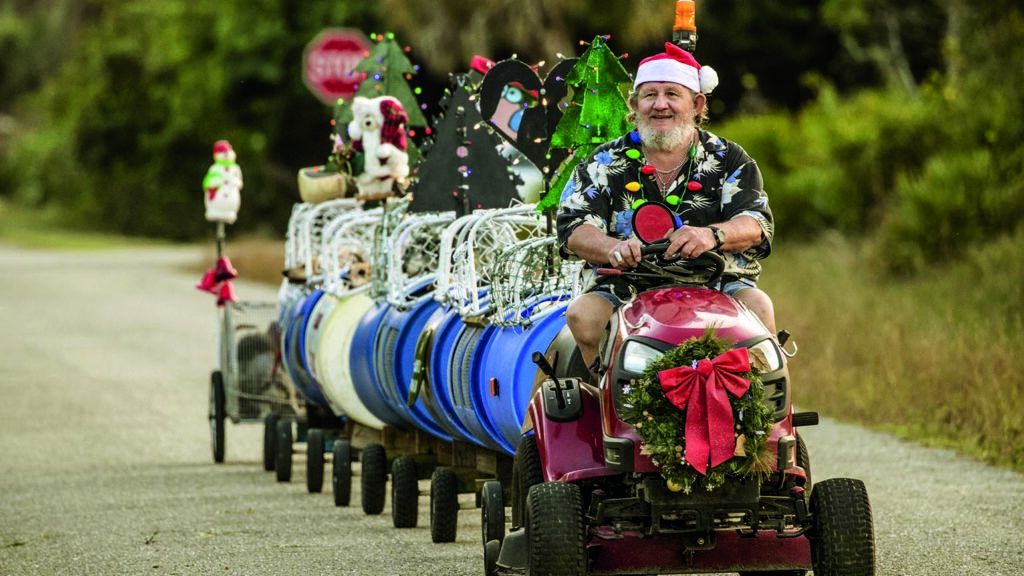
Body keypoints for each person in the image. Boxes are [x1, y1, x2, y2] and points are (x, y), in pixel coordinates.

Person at [556, 42, 777, 374]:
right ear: (634, 104)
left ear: (697, 103)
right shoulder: (603, 161)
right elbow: (574, 227)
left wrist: (712, 235)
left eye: (673, 94)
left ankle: (763, 417)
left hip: (716, 281)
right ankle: (611, 406)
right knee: (582, 316)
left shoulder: (730, 158)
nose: (660, 105)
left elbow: (755, 222)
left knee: (759, 306)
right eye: (649, 95)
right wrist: (614, 247)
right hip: (627, 282)